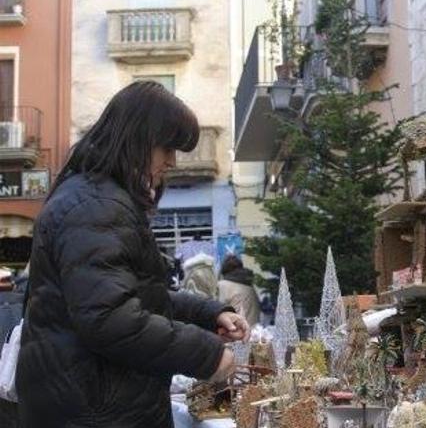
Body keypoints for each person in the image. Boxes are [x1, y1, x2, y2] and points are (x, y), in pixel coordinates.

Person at [16, 81, 250, 427]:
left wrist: (209, 313)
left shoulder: (95, 198)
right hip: (96, 410)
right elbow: (110, 318)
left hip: (93, 403)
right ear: (137, 140)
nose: (171, 161)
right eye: (166, 148)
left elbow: (134, 296)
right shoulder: (95, 206)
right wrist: (206, 354)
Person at [217, 254, 261, 327]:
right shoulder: (250, 286)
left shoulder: (222, 286)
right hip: (255, 332)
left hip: (235, 332)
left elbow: (216, 311)